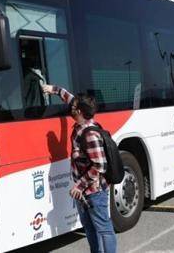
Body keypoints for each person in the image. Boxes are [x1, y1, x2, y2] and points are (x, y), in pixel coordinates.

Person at [43, 84, 117, 253]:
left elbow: (100, 165)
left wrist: (80, 185)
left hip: (94, 192)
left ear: (81, 113)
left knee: (103, 228)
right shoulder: (81, 123)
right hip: (83, 193)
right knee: (90, 229)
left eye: (74, 107)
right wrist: (53, 89)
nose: (71, 108)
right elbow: (69, 98)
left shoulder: (90, 134)